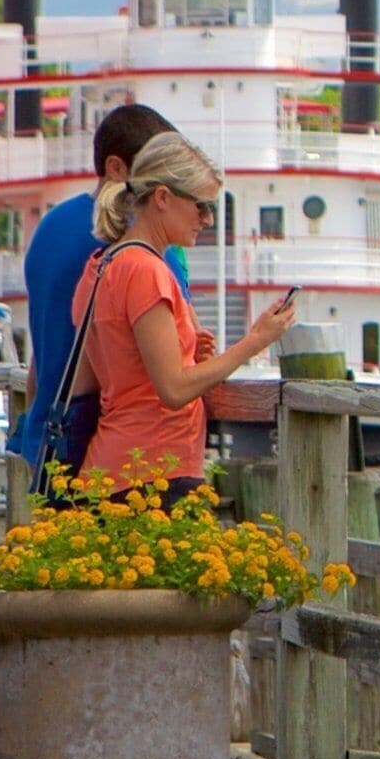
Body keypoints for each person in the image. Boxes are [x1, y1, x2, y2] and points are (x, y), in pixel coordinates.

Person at [74, 131, 294, 502]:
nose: (207, 219)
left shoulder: (100, 267)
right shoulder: (148, 271)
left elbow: (103, 376)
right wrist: (256, 340)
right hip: (155, 476)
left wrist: (189, 355)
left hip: (107, 473)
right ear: (162, 197)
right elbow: (173, 390)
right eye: (202, 206)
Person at [6, 103, 178, 478]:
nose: (168, 187)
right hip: (114, 454)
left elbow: (44, 345)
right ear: (116, 168)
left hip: (47, 439)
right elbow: (170, 361)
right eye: (157, 171)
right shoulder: (144, 239)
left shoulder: (50, 226)